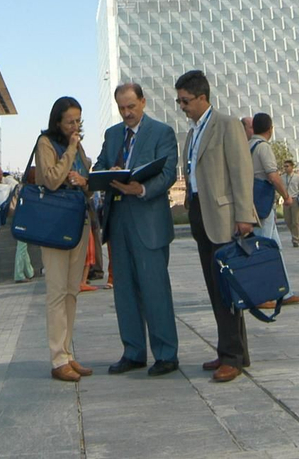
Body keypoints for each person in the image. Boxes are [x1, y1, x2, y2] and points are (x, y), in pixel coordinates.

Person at [176, 69, 255, 382]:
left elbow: (241, 171)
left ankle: (232, 357)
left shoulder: (226, 125)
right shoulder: (193, 132)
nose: (182, 106)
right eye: (179, 101)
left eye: (185, 101)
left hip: (224, 218)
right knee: (216, 287)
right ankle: (232, 351)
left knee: (227, 290)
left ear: (202, 97)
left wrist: (244, 215)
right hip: (200, 213)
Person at [98, 81, 180, 377]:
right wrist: (104, 174)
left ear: (143, 102)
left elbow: (168, 173)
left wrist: (142, 189)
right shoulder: (112, 135)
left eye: (131, 106)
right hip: (118, 221)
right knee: (124, 292)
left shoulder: (162, 133)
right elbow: (100, 166)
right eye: (121, 108)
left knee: (155, 289)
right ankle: (133, 352)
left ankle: (166, 354)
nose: (126, 113)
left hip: (149, 222)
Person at [33, 97, 93, 381]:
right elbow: (51, 179)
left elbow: (85, 180)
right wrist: (70, 149)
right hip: (55, 225)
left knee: (71, 291)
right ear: (57, 121)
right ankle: (57, 358)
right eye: (70, 121)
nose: (75, 126)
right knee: (57, 292)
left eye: (78, 121)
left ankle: (68, 353)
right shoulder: (46, 143)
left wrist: (84, 180)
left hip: (79, 221)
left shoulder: (78, 145)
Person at [249, 113, 299, 306]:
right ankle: (261, 295)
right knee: (263, 249)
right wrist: (286, 196)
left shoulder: (248, 146)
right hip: (263, 205)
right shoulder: (263, 147)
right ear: (270, 129)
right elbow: (273, 176)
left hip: (254, 204)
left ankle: (285, 292)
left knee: (276, 248)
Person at [281, 160, 299, 248]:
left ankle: (295, 239)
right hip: (286, 200)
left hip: (295, 200)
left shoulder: (297, 178)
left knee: (295, 221)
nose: (285, 168)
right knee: (288, 220)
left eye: (287, 166)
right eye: (284, 166)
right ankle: (297, 234)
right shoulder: (282, 178)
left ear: (292, 167)